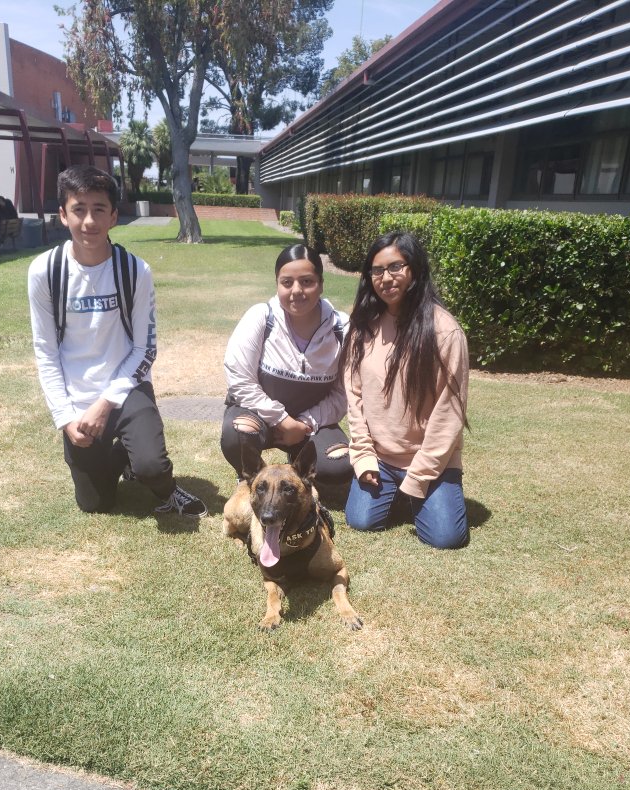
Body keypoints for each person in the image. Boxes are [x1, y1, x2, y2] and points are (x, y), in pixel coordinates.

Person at [28, 164, 207, 518]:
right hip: (77, 397)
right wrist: (65, 418)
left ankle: (162, 482)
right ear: (63, 215)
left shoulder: (134, 271)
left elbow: (145, 349)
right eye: (79, 209)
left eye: (99, 209)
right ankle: (120, 455)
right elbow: (46, 353)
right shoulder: (45, 271)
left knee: (151, 467)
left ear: (113, 216)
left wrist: (106, 402)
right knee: (96, 504)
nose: (89, 221)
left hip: (127, 388)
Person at [342, 230, 470, 549]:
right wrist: (364, 456)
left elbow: (449, 414)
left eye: (396, 267)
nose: (386, 277)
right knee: (361, 521)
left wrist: (420, 474)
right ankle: (398, 495)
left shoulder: (445, 331)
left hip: (431, 461)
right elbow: (354, 397)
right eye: (377, 270)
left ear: (415, 268)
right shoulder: (362, 326)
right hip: (381, 459)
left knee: (446, 538)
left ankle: (413, 493)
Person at [222, 243, 351, 486]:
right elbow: (240, 380)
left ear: (321, 284)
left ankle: (299, 462)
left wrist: (303, 425)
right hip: (261, 417)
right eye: (287, 282)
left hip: (310, 425)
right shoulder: (261, 317)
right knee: (237, 434)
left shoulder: (342, 329)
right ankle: (249, 479)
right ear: (277, 284)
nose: (296, 290)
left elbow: (342, 394)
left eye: (307, 281)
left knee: (340, 464)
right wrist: (282, 420)